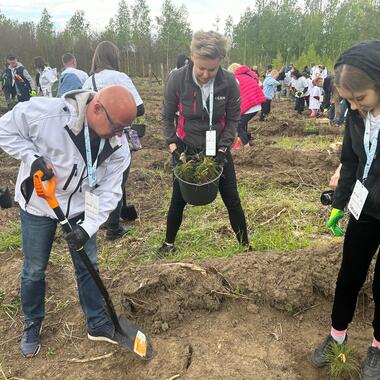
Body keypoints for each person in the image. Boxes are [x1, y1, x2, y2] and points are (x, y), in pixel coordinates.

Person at [0, 84, 137, 358]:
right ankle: (32, 324)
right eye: (117, 126)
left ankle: (97, 323)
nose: (121, 135)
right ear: (96, 109)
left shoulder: (118, 145)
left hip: (81, 208)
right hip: (39, 205)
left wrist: (87, 228)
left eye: (125, 128)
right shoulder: (47, 114)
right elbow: (4, 128)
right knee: (35, 268)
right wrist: (32, 157)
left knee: (89, 266)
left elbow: (110, 190)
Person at [311, 40, 380, 379]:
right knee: (349, 273)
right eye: (348, 100)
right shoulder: (356, 118)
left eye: (360, 98)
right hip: (365, 209)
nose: (354, 106)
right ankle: (337, 334)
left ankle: (378, 348)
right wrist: (340, 206)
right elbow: (351, 162)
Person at [159, 30, 250, 255]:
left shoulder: (229, 82)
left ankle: (246, 247)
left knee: (232, 199)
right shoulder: (177, 79)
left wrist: (222, 149)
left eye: (212, 69)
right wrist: (173, 145)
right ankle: (168, 244)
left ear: (221, 62)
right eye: (201, 68)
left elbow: (233, 119)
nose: (206, 74)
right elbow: (166, 115)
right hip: (186, 148)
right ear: (192, 58)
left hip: (217, 147)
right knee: (178, 199)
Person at [83, 41, 144, 240]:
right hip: (117, 138)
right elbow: (139, 108)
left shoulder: (88, 80)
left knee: (95, 180)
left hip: (91, 140)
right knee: (117, 180)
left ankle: (92, 222)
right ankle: (113, 227)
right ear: (114, 57)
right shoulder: (120, 77)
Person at [228, 62, 266, 147]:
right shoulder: (250, 75)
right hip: (256, 105)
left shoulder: (236, 78)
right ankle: (245, 140)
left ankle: (247, 146)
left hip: (249, 106)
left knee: (238, 126)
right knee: (243, 124)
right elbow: (261, 85)